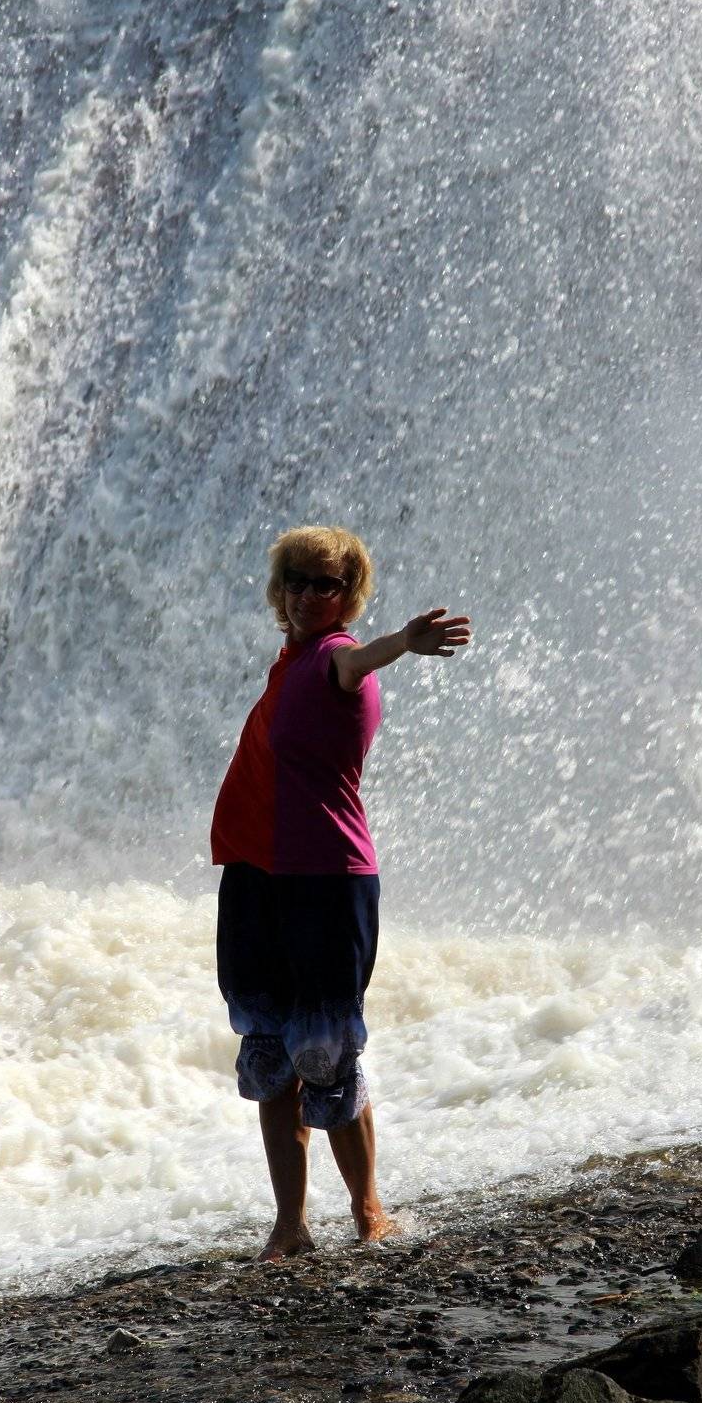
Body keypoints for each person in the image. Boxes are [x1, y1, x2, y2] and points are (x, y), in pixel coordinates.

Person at [211, 524, 471, 1261]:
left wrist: (404, 642)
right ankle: (290, 1225)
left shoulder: (335, 656)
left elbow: (358, 661)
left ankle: (368, 1211)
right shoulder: (288, 662)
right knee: (269, 1053)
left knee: (325, 1052)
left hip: (324, 881)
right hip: (256, 878)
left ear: (348, 595)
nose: (306, 595)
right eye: (296, 580)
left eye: (325, 585)